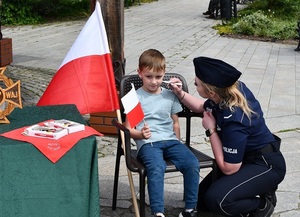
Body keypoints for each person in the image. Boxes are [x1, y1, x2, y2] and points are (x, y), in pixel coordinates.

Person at [170, 56, 286, 217]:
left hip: (265, 165)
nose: (194, 84)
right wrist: (179, 93)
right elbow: (200, 106)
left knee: (218, 200)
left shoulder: (234, 119)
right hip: (243, 158)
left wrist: (211, 130)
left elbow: (229, 168)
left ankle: (261, 205)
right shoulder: (227, 91)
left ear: (210, 91)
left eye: (196, 83)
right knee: (201, 199)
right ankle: (249, 190)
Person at [124, 49, 200, 217]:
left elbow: (175, 122)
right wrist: (140, 135)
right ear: (140, 73)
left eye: (158, 77)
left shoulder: (169, 95)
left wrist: (178, 142)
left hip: (171, 141)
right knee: (157, 167)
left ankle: (190, 209)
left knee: (192, 163)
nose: (154, 81)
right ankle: (158, 212)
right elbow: (128, 128)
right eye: (149, 76)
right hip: (149, 144)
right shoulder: (134, 97)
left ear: (164, 74)